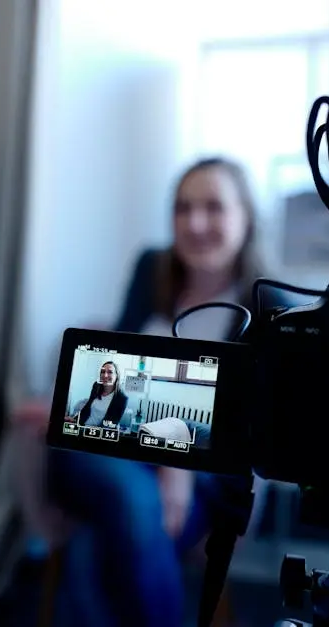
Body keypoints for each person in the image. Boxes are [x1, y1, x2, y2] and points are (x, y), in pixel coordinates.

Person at [43, 156, 267, 627]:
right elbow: (110, 373)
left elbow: (248, 432)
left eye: (213, 207)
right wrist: (171, 458)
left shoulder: (266, 306)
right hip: (105, 452)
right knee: (132, 499)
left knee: (97, 544)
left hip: (201, 484)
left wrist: (179, 463)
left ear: (246, 217)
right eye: (183, 208)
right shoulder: (153, 268)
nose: (195, 223)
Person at [66, 361, 129, 428]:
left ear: (117, 376)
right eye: (103, 372)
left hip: (98, 432)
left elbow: (112, 423)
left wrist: (95, 432)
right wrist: (74, 420)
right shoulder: (96, 386)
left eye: (110, 372)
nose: (105, 375)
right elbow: (87, 407)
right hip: (82, 426)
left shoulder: (122, 398)